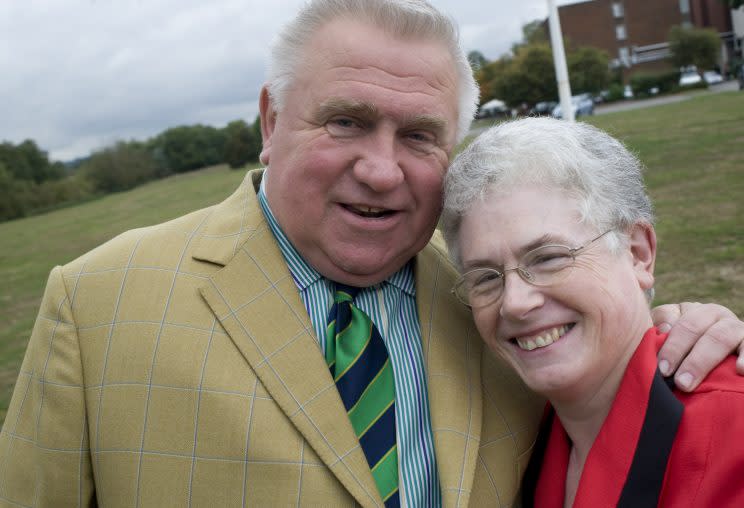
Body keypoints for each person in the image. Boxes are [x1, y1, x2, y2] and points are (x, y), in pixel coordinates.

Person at [1, 1, 743, 506]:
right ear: (270, 118)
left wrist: (688, 328)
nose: (382, 170)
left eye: (419, 134)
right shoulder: (96, 304)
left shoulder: (496, 315)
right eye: (347, 121)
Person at [441, 117, 744, 507]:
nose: (514, 302)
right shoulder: (526, 436)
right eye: (485, 277)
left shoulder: (732, 428)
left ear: (638, 252)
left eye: (548, 258)